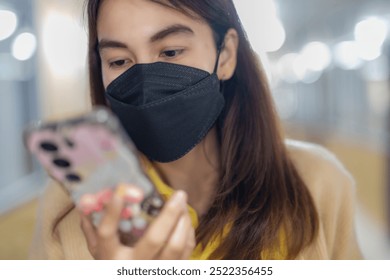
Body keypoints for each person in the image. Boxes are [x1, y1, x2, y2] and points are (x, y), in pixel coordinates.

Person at [29, 0, 362, 260]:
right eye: (119, 61)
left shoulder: (318, 184)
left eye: (171, 51)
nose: (145, 84)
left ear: (226, 55)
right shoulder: (70, 211)